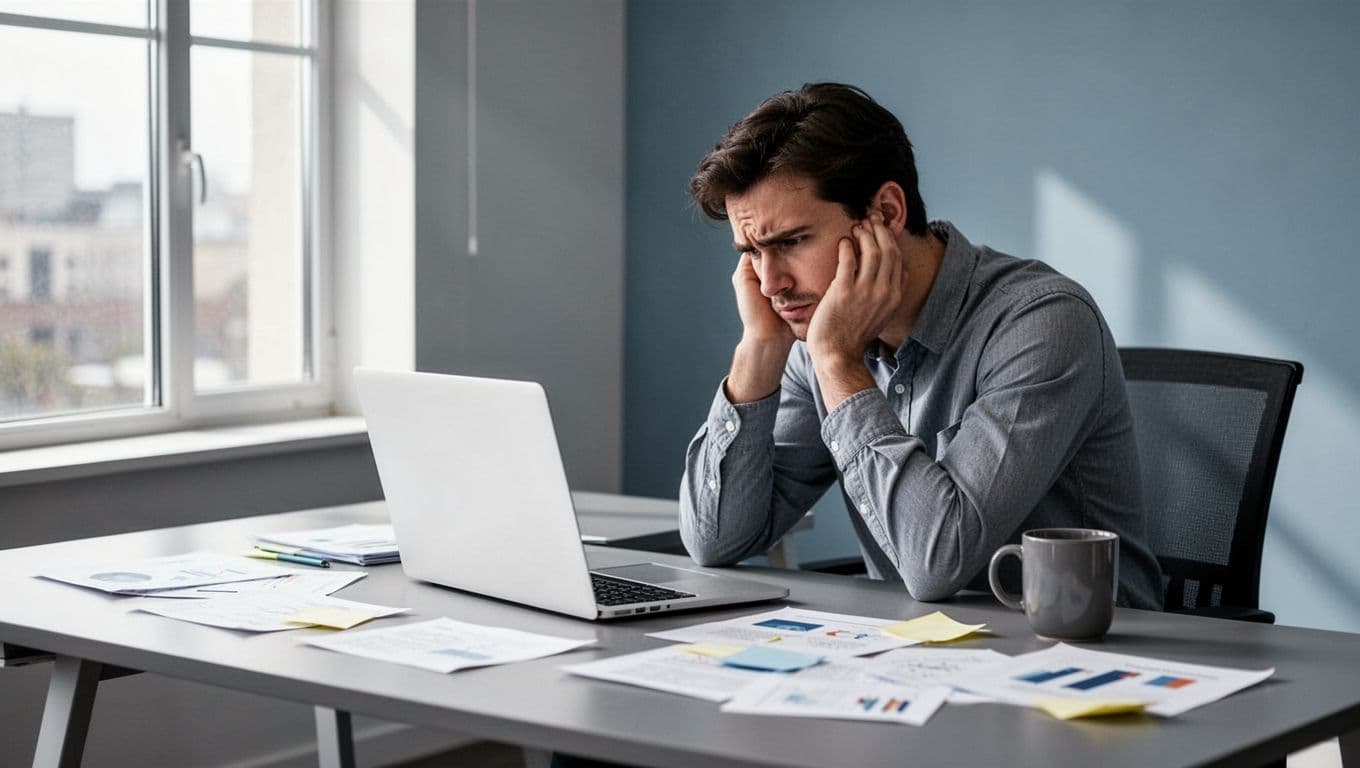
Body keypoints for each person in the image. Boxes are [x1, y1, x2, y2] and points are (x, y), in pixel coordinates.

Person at [678, 82, 1163, 610]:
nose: (769, 283)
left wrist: (838, 363)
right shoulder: (817, 335)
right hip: (919, 662)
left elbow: (939, 561)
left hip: (1091, 664)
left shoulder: (1043, 322)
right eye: (751, 252)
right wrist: (757, 351)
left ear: (886, 211)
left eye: (790, 242)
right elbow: (715, 540)